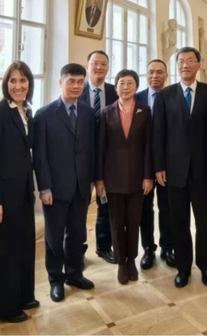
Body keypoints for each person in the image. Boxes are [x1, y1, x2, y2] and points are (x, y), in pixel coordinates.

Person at [153, 47, 207, 288]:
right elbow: (158, 133)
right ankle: (183, 267)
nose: (185, 65)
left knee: (204, 222)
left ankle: (206, 265)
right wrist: (159, 166)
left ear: (199, 65)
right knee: (178, 221)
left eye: (190, 61)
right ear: (176, 66)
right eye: (181, 61)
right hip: (174, 171)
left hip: (202, 171)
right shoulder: (165, 95)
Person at [34, 63, 96, 303]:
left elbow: (90, 149)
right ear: (60, 82)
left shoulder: (88, 113)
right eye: (71, 81)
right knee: (54, 237)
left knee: (77, 233)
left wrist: (92, 180)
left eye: (80, 82)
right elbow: (40, 157)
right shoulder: (44, 115)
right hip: (55, 189)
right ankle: (55, 280)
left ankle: (74, 274)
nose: (76, 86)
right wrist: (44, 187)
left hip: (81, 186)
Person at [0, 61, 40, 323]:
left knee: (25, 246)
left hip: (24, 193)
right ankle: (6, 308)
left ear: (29, 84)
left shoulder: (27, 110)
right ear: (6, 84)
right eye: (13, 81)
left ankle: (25, 296)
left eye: (23, 80)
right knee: (6, 252)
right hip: (4, 196)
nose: (18, 86)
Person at [97, 69, 153, 284]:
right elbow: (101, 148)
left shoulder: (145, 111)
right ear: (116, 87)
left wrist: (148, 176)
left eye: (130, 83)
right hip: (113, 179)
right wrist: (99, 179)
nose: (125, 87)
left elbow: (148, 147)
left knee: (134, 221)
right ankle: (121, 263)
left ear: (136, 87)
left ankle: (132, 261)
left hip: (138, 179)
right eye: (121, 83)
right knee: (116, 223)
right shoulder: (106, 112)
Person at [136, 59, 176, 269]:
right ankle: (148, 248)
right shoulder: (136, 98)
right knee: (144, 208)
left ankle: (167, 247)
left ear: (166, 76)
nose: (155, 76)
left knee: (167, 207)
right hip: (141, 163)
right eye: (151, 72)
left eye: (160, 72)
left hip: (167, 163)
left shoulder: (173, 97)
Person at [79, 50, 118, 264]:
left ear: (108, 68)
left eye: (103, 64)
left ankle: (104, 247)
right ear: (87, 67)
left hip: (108, 159)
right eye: (95, 63)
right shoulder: (78, 90)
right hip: (82, 159)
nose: (99, 67)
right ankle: (78, 250)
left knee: (106, 206)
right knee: (80, 208)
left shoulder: (115, 92)